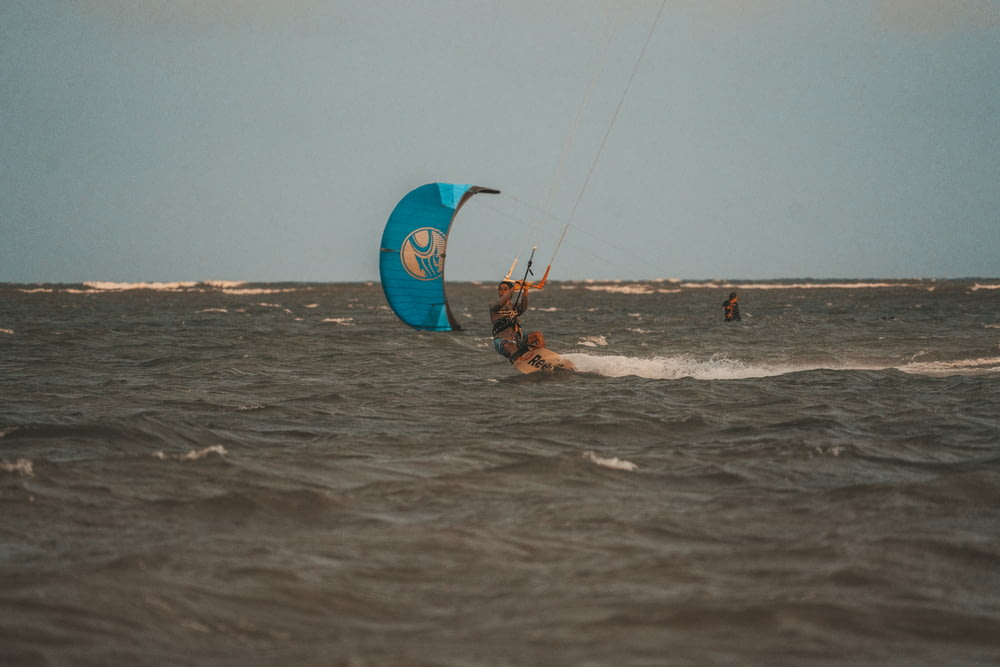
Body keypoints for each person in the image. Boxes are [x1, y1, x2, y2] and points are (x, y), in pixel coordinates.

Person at [490, 280, 544, 361]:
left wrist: (525, 290)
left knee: (537, 335)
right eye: (500, 289)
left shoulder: (514, 307)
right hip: (501, 342)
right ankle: (522, 361)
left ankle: (543, 358)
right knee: (511, 346)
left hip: (517, 341)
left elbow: (523, 308)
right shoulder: (494, 305)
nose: (502, 291)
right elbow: (500, 304)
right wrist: (513, 290)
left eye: (505, 289)